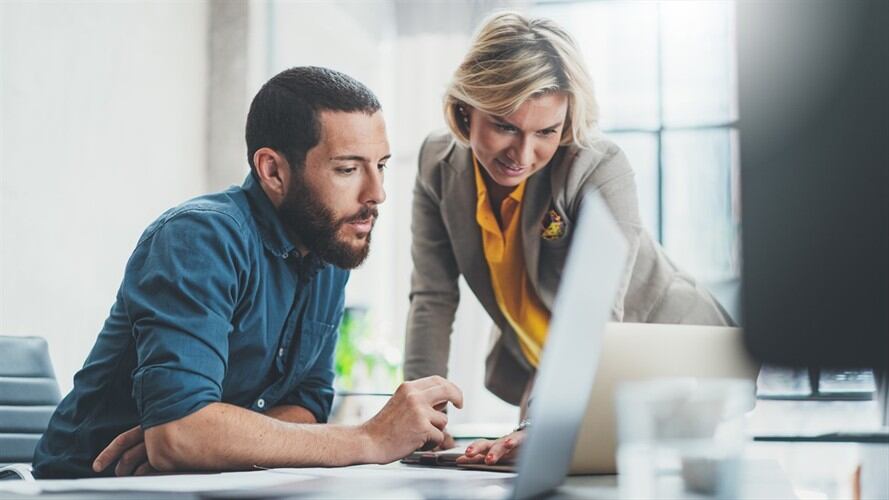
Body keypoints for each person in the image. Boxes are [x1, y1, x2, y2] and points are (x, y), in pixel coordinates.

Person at [32, 66, 462, 478]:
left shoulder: (328, 247)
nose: (377, 193)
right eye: (348, 169)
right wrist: (368, 440)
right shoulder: (199, 237)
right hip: (87, 487)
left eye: (381, 165)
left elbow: (307, 405)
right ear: (273, 170)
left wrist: (211, 440)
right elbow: (179, 436)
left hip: (212, 484)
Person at [402, 11, 732, 466]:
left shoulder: (596, 167)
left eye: (546, 132)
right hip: (556, 371)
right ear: (465, 108)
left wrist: (539, 424)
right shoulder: (436, 165)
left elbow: (594, 319)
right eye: (504, 126)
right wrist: (420, 420)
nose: (523, 154)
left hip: (671, 360)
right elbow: (432, 299)